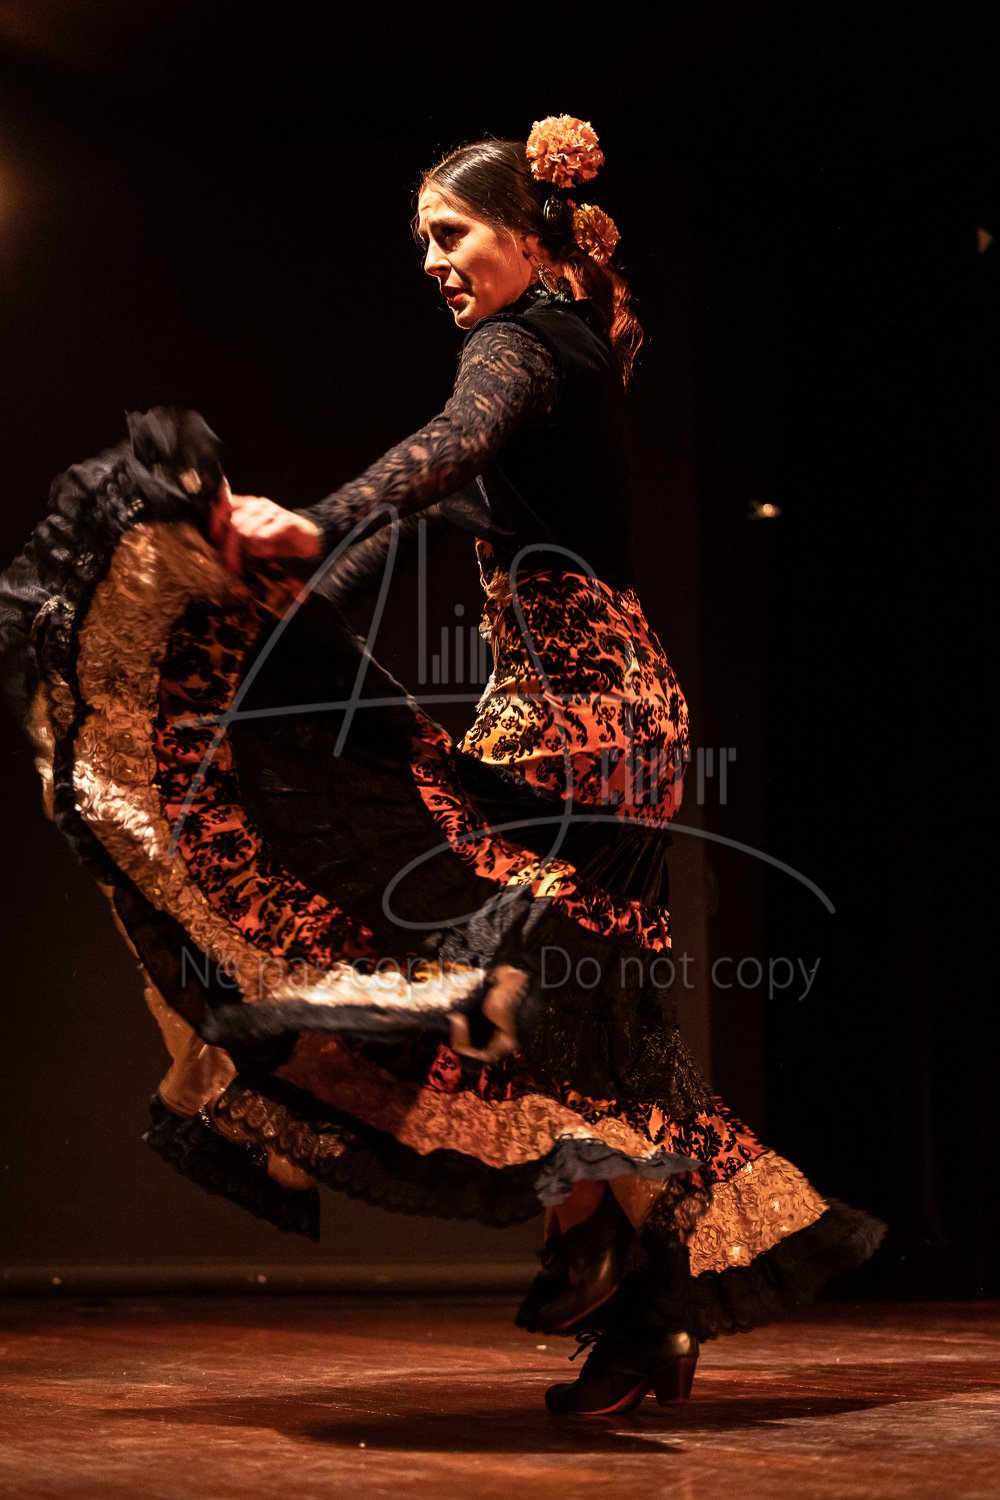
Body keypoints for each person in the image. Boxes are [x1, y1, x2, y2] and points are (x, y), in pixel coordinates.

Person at [0, 114, 887, 1417]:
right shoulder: (569, 350)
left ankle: (596, 1241)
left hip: (581, 724)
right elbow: (439, 500)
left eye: (450, 233)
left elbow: (448, 444)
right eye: (422, 241)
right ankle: (642, 1313)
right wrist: (294, 578)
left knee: (495, 985)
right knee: (572, 1013)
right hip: (605, 719)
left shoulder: (516, 346)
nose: (430, 261)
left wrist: (313, 524)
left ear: (526, 237)